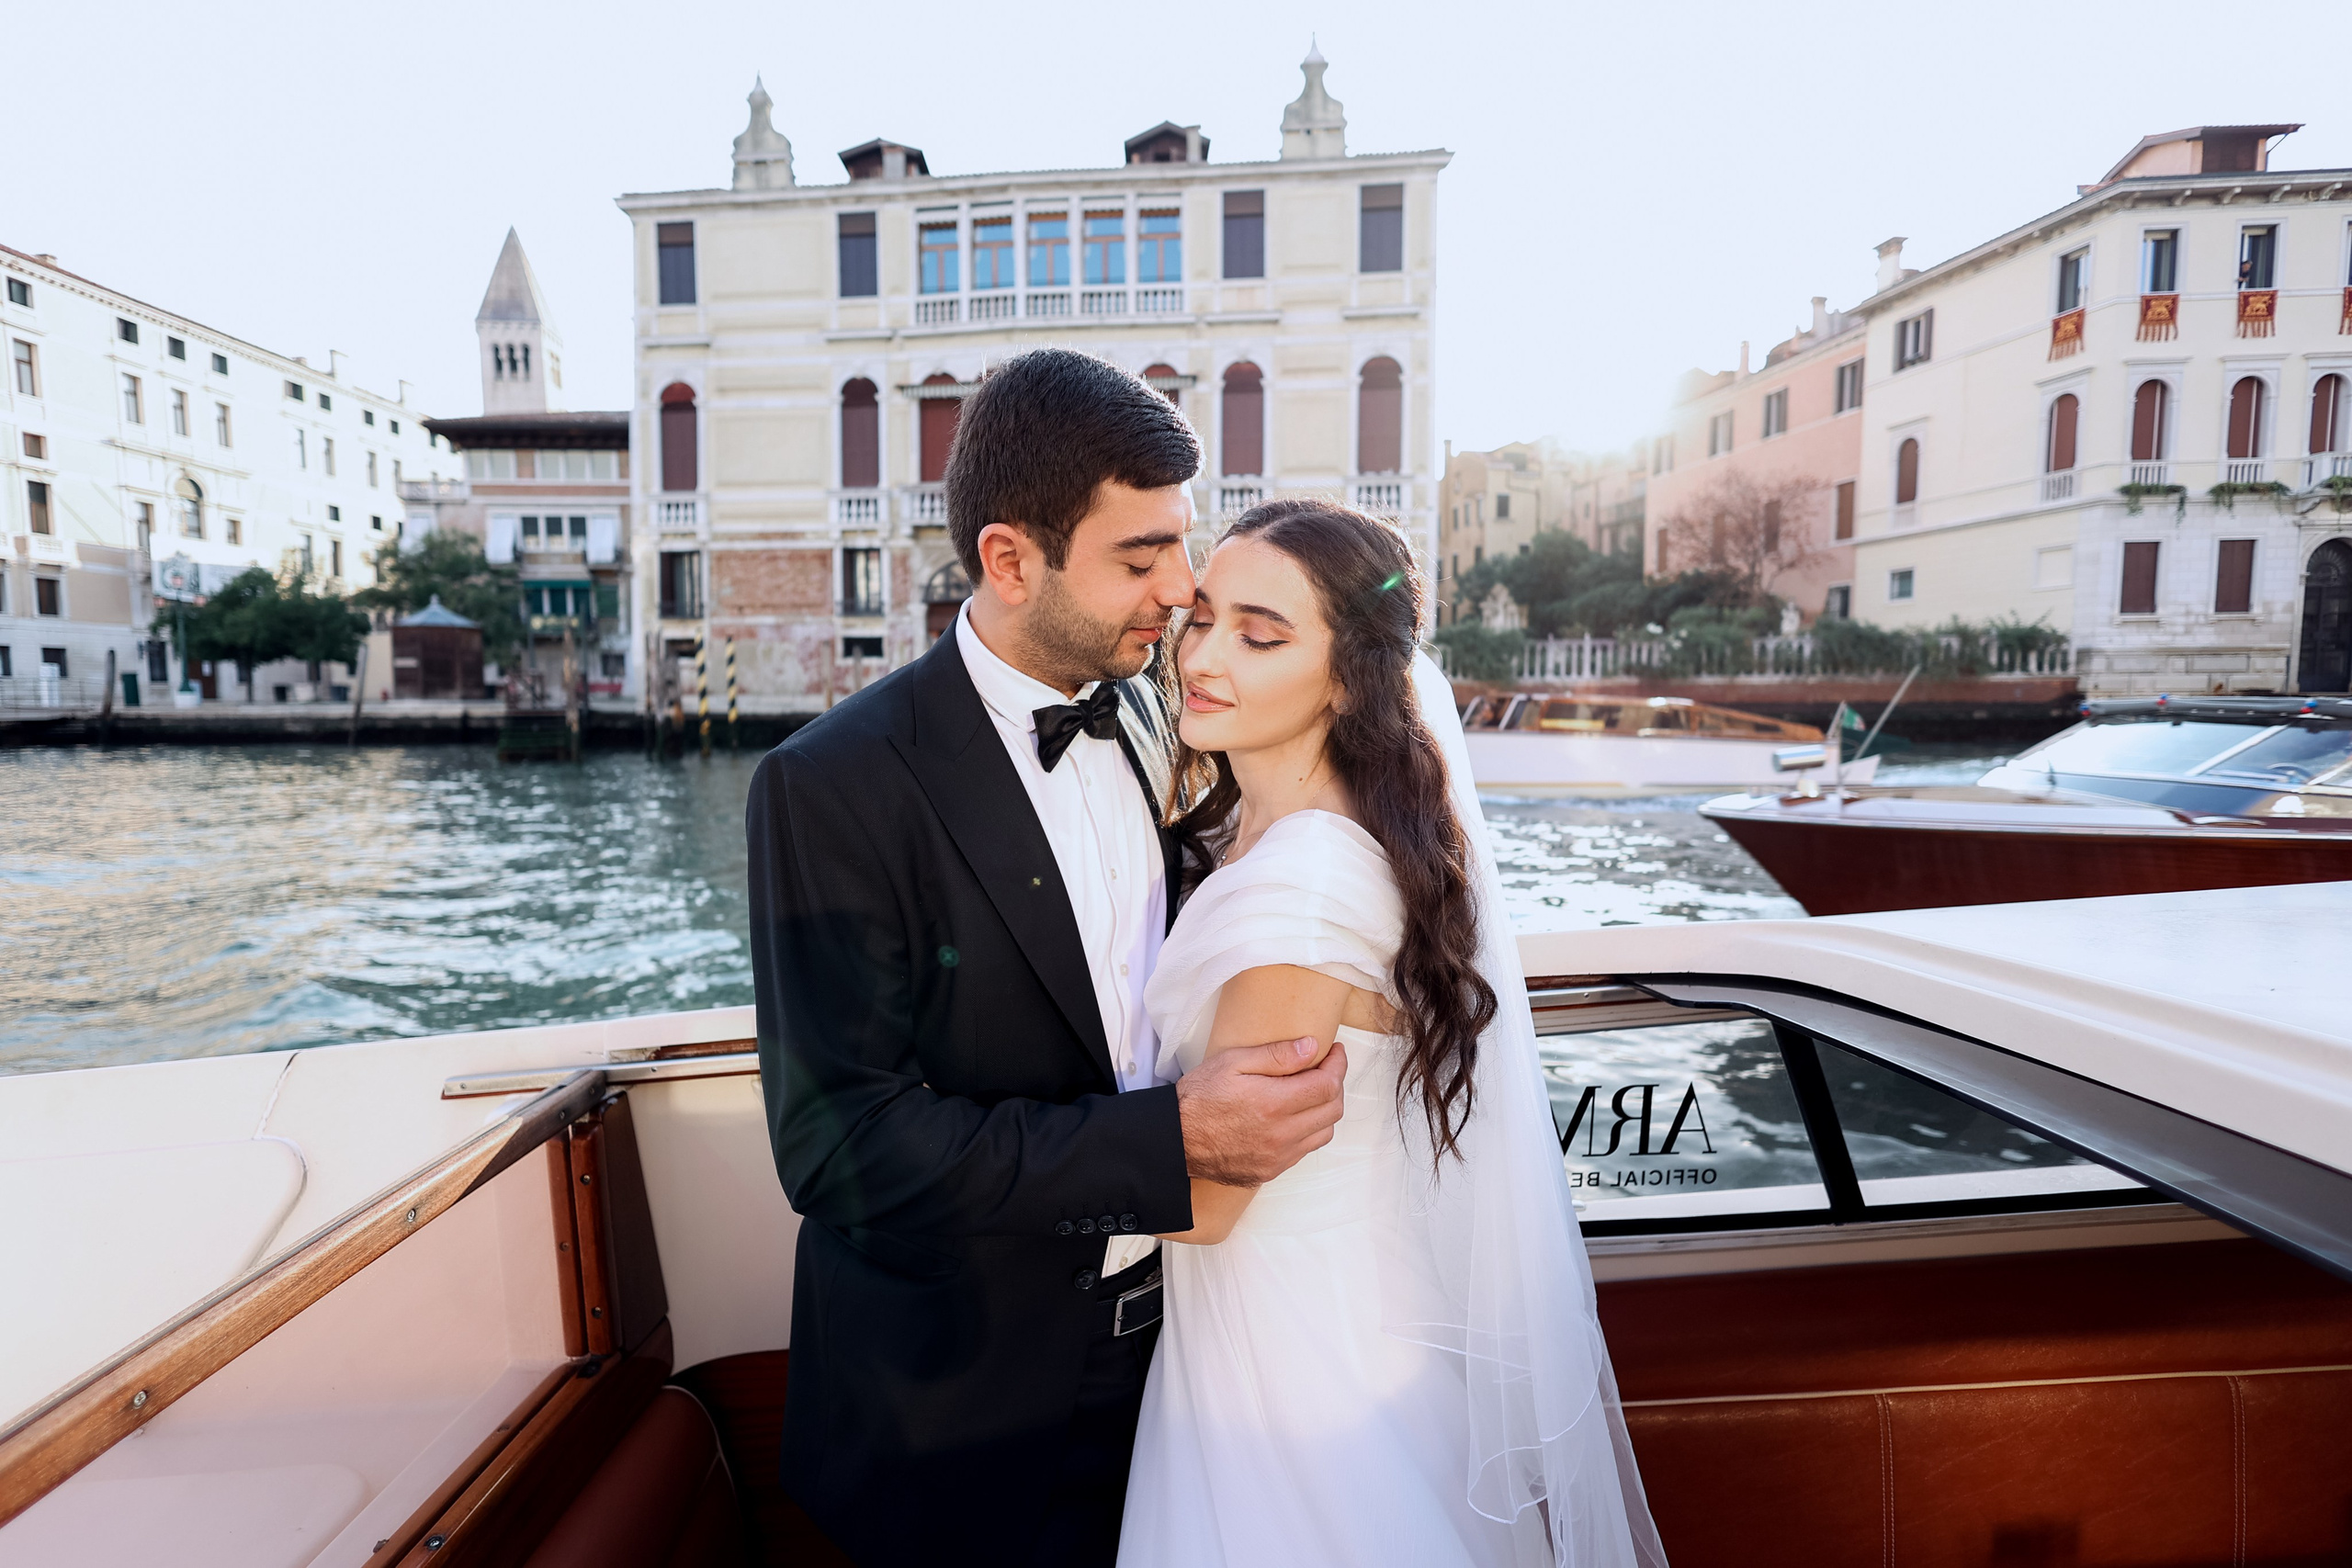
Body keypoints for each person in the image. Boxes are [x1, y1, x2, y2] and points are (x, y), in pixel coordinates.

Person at [744, 350, 1349, 1568]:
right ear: (1010, 559)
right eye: (1142, 557)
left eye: (1182, 544)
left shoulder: (1153, 709)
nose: (1184, 591)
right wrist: (1168, 1141)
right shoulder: (827, 784)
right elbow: (839, 1146)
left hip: (1183, 1366)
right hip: (956, 1417)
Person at [1120, 502, 1668, 1568]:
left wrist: (980, 1169)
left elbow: (1209, 1195)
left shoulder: (1304, 884)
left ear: (1344, 679)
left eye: (1259, 633)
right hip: (1351, 1324)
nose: (1204, 655)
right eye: (1202, 620)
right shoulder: (1287, 842)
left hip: (1287, 1363)